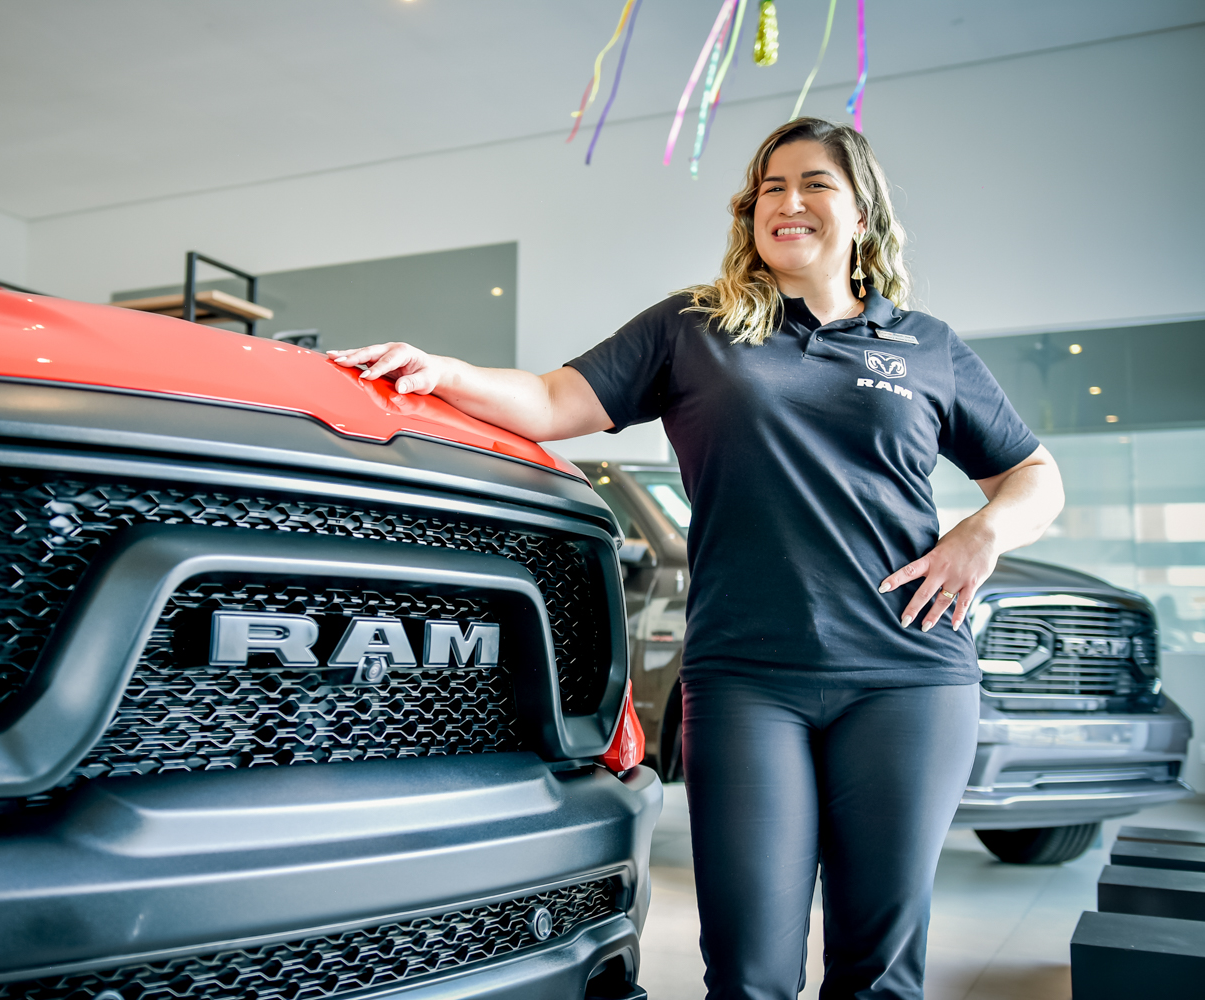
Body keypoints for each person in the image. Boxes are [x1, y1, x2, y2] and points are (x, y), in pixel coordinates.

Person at [327, 116, 1064, 1000]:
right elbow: (554, 400)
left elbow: (1033, 475)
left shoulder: (924, 344)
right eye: (770, 188)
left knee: (878, 974)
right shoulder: (695, 327)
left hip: (906, 676)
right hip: (746, 679)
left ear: (862, 213)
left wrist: (982, 533)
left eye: (814, 183)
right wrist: (441, 370)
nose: (787, 201)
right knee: (747, 972)